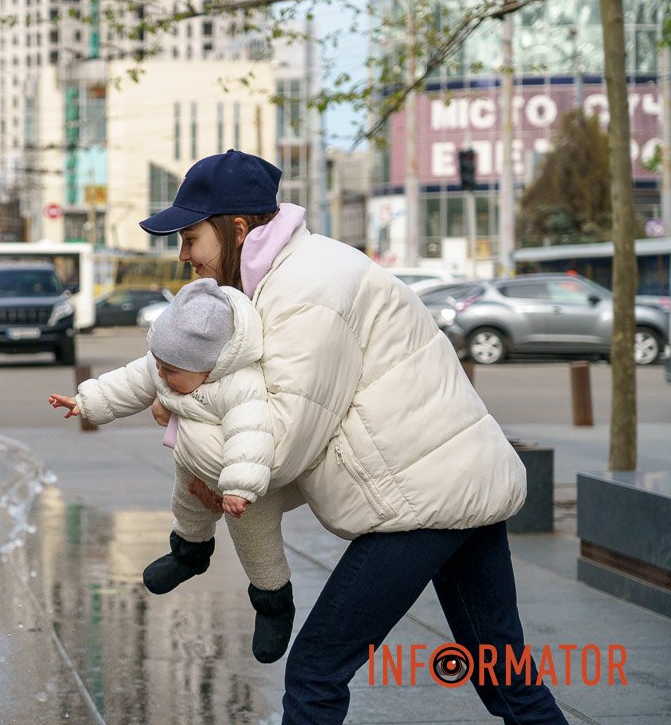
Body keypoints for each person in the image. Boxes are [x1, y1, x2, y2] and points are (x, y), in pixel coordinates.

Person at [139, 149, 567, 725]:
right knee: (505, 679)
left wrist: (181, 417)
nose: (183, 255)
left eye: (191, 238)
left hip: (421, 499)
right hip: (454, 481)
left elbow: (280, 444)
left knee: (316, 671)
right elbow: (308, 431)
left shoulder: (305, 291)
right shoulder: (295, 274)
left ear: (237, 228)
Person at [49, 277, 296, 664]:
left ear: (208, 368)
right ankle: (188, 555)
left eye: (170, 371)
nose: (161, 376)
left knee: (257, 545)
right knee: (186, 508)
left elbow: (251, 435)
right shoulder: (168, 363)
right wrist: (86, 401)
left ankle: (273, 604)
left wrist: (238, 487)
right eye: (159, 366)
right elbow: (129, 382)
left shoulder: (241, 385)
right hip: (191, 464)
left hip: (242, 488)